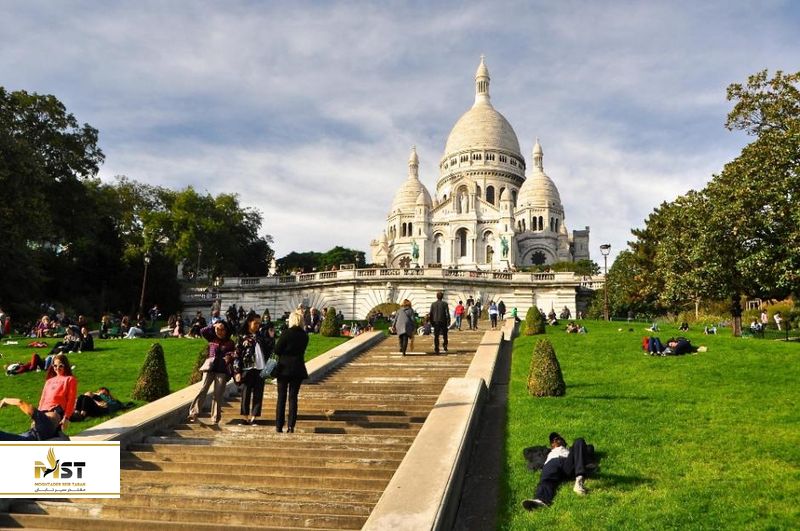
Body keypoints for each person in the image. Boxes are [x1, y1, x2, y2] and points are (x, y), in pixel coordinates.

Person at [0, 353, 77, 440]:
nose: (57, 368)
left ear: (65, 366)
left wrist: (66, 418)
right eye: (55, 365)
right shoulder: (49, 381)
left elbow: (71, 399)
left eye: (60, 366)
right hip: (42, 418)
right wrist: (36, 418)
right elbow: (42, 400)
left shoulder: (70, 379)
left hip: (53, 414)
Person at [522, 432, 595, 510]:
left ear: (564, 442)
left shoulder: (570, 450)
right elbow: (527, 451)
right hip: (552, 463)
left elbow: (589, 448)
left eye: (559, 438)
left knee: (579, 440)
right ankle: (540, 500)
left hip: (568, 463)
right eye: (554, 440)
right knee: (546, 480)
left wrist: (575, 449)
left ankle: (579, 482)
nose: (556, 440)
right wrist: (544, 449)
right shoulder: (546, 451)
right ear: (551, 444)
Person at [188, 320, 235, 425]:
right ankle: (194, 412)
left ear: (226, 331)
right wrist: (214, 325)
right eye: (218, 329)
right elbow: (202, 331)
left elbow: (233, 353)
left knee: (218, 394)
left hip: (222, 370)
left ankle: (215, 418)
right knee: (203, 389)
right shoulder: (212, 338)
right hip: (209, 368)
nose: (220, 332)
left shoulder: (230, 342)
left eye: (222, 330)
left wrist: (230, 356)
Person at [274, 308, 309, 433]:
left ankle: (279, 425)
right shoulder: (304, 336)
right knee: (293, 398)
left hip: (283, 368)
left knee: (281, 397)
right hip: (298, 368)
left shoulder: (286, 333)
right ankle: (291, 426)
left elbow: (277, 350)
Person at [235, 313, 275, 425]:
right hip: (247, 368)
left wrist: (271, 338)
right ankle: (244, 416)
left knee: (259, 393)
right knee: (245, 392)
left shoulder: (261, 336)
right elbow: (237, 355)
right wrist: (237, 371)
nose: (258, 325)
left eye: (259, 323)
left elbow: (270, 350)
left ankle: (254, 417)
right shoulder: (242, 337)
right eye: (255, 323)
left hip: (261, 368)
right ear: (249, 322)